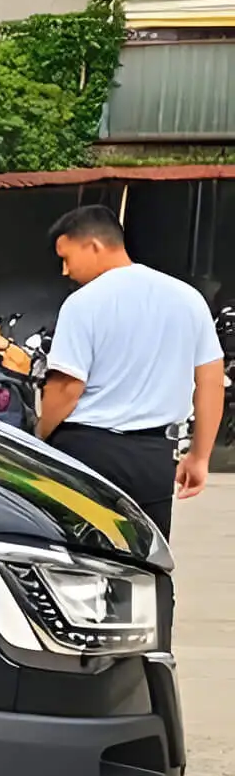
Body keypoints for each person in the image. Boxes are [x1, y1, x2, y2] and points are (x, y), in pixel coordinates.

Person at [38, 205, 224, 537]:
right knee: (147, 559)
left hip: (85, 452)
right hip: (152, 457)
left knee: (79, 563)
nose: (66, 271)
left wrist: (39, 437)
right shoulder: (188, 299)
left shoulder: (83, 303)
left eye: (67, 258)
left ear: (93, 245)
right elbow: (209, 381)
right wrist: (199, 456)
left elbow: (67, 388)